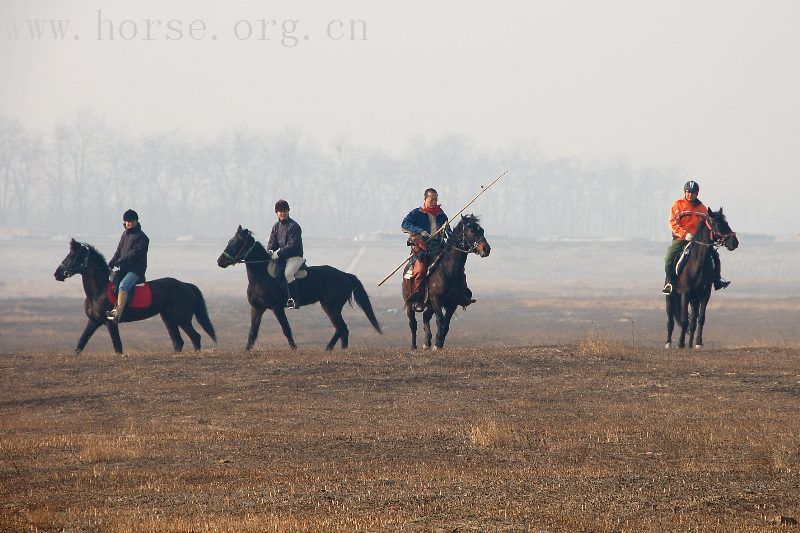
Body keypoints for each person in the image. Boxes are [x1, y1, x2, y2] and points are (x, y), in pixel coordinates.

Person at [402, 188, 474, 312]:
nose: (434, 202)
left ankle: (462, 293)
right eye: (432, 200)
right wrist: (420, 231)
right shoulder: (416, 214)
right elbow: (405, 224)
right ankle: (419, 298)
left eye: (436, 199)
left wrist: (450, 233)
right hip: (422, 250)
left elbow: (448, 232)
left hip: (439, 248)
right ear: (425, 200)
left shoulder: (441, 215)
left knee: (456, 266)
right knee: (420, 269)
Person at [662, 180, 730, 295]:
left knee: (715, 257)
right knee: (669, 258)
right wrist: (685, 234)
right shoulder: (677, 205)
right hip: (681, 240)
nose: (690, 194)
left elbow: (708, 226)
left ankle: (717, 280)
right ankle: (671, 283)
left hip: (698, 242)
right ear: (684, 192)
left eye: (693, 192)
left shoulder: (703, 208)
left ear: (697, 193)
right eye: (688, 192)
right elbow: (673, 223)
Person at [107, 209, 149, 322]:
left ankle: (118, 314)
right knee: (111, 280)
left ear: (136, 221)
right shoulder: (125, 234)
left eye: (131, 221)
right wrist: (111, 262)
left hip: (136, 271)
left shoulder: (142, 237)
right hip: (124, 269)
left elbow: (134, 254)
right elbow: (118, 250)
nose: (129, 223)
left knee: (123, 286)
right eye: (127, 221)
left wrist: (120, 261)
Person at [267, 199, 304, 309]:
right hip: (282, 257)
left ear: (288, 211)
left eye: (284, 211)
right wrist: (269, 251)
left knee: (288, 273)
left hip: (295, 257)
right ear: (276, 213)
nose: (282, 213)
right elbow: (272, 243)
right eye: (280, 211)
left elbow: (292, 246)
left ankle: (294, 301)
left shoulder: (294, 226)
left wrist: (278, 253)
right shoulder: (275, 227)